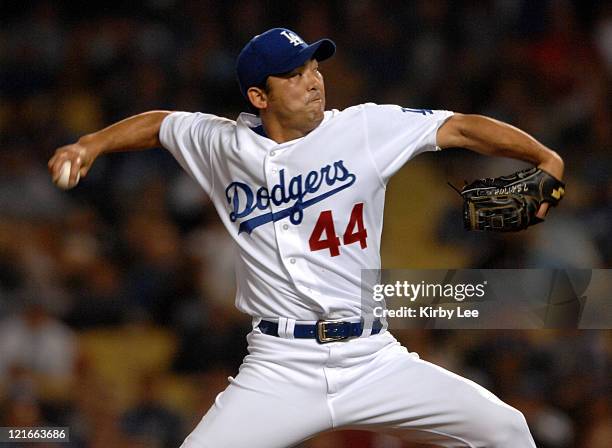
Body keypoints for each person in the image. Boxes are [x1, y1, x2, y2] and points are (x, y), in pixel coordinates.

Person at [49, 28, 564, 447]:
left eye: (315, 67)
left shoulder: (364, 128)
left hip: (371, 357)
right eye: (295, 75)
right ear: (259, 96)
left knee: (506, 431)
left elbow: (460, 128)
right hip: (279, 365)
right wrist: (90, 144)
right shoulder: (222, 144)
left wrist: (543, 157)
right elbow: (160, 124)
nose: (314, 81)